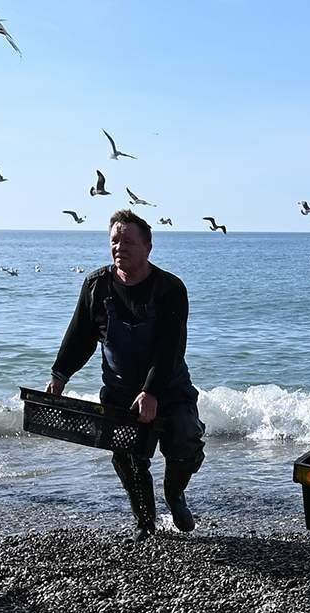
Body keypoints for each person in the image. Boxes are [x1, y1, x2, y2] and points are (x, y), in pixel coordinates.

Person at [48, 209, 204, 539]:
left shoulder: (170, 288)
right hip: (119, 389)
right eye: (114, 241)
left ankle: (175, 494)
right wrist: (60, 375)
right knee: (127, 457)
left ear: (148, 247)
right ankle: (145, 522)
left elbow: (171, 348)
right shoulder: (95, 285)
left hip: (169, 385)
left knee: (186, 442)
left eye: (128, 241)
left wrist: (151, 391)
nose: (120, 247)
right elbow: (79, 336)